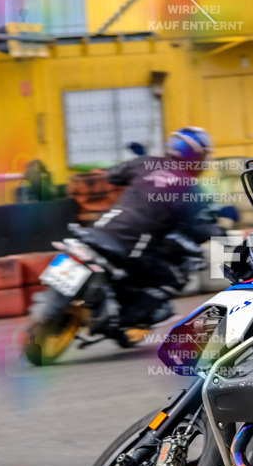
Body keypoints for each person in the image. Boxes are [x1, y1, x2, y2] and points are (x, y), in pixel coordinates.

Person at [92, 127, 217, 325]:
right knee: (172, 277)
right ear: (197, 155)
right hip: (134, 244)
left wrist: (140, 163)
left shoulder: (146, 163)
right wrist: (217, 229)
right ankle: (128, 320)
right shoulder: (190, 187)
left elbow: (113, 176)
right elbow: (197, 229)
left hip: (100, 229)